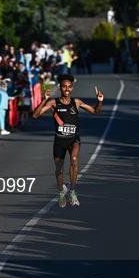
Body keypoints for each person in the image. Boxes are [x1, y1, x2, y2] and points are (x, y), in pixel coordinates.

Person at [32, 74, 104, 208]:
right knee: (59, 169)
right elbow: (35, 115)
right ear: (60, 87)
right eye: (64, 86)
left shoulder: (76, 102)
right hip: (59, 141)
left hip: (73, 139)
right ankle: (61, 192)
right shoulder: (53, 103)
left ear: (72, 88)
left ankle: (72, 191)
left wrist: (99, 101)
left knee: (74, 159)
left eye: (69, 87)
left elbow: (95, 111)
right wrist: (44, 99)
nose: (66, 89)